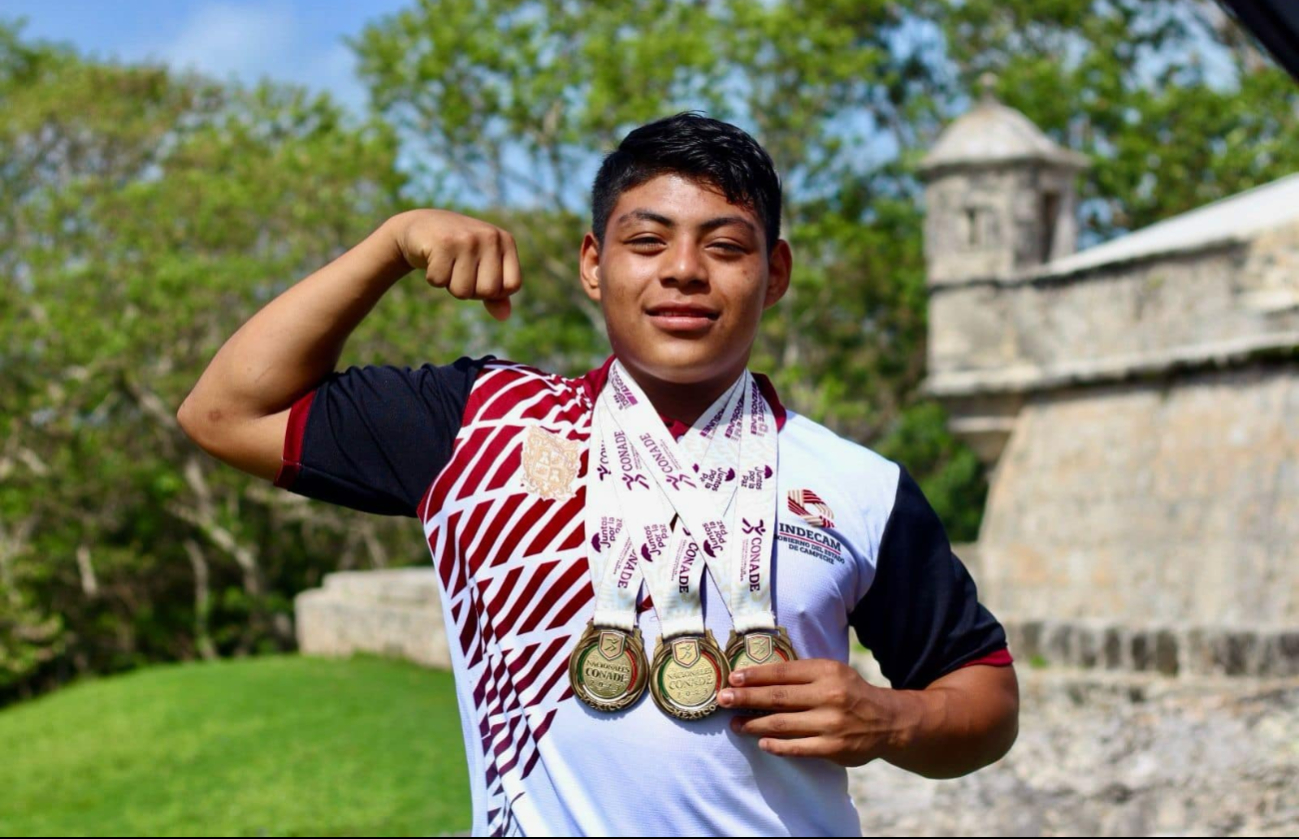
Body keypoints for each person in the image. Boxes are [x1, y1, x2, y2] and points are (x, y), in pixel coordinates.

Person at [178, 113, 1018, 837]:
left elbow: (984, 696)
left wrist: (893, 719)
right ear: (592, 264)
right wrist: (389, 246)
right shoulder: (480, 423)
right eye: (646, 241)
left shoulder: (857, 484)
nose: (683, 270)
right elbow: (225, 413)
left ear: (776, 275)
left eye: (725, 246)